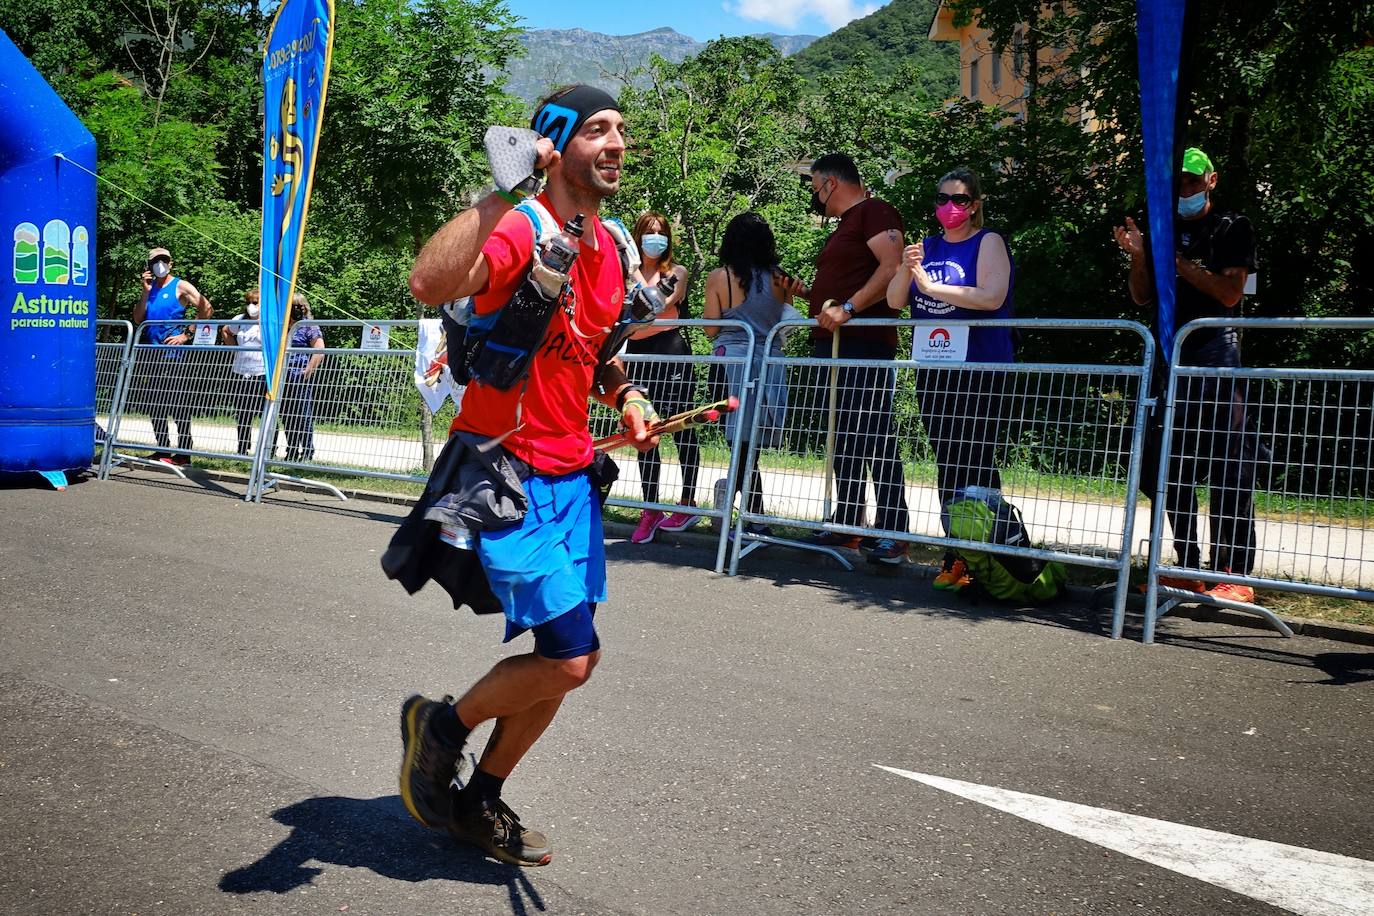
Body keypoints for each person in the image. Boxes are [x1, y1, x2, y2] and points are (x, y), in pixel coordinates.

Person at [401, 85, 658, 867]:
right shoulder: (525, 226)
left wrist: (628, 393)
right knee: (570, 657)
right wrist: (504, 186)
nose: (616, 143)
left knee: (574, 661)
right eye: (597, 131)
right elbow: (429, 284)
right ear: (554, 144)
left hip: (572, 474)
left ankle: (481, 798)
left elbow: (598, 346)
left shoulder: (611, 243)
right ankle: (441, 729)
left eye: (621, 130)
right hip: (506, 471)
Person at [1114, 146, 1259, 604]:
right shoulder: (1162, 227)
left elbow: (1230, 294)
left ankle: (1234, 571)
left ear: (1211, 181)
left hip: (1217, 353)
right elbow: (1141, 298)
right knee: (1166, 462)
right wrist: (1140, 255)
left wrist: (1177, 266)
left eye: (1193, 182)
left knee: (1229, 463)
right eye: (1178, 183)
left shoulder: (1233, 228)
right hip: (1168, 355)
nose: (1185, 191)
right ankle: (1189, 565)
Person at [889, 167, 1015, 591]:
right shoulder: (928, 247)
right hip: (934, 367)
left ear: (974, 204)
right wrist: (908, 270)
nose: (949, 207)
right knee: (948, 461)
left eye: (959, 200)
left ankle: (990, 557)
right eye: (942, 198)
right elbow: (893, 299)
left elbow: (991, 296)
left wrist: (932, 287)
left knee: (976, 461)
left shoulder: (988, 242)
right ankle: (956, 552)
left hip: (980, 367)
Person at [796, 153, 909, 565]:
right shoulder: (846, 225)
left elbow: (892, 266)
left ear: (829, 182)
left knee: (873, 430)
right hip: (837, 342)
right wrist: (808, 295)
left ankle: (894, 529)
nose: (814, 196)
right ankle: (848, 520)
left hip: (864, 341)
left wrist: (849, 307)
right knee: (844, 431)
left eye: (814, 187)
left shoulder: (875, 211)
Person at [703, 211, 795, 538]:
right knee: (750, 442)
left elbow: (712, 328)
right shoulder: (780, 279)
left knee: (737, 440)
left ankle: (733, 504)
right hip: (769, 363)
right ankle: (755, 516)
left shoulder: (720, 277)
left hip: (732, 362)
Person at [624, 212, 701, 543]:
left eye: (661, 233)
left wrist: (632, 288)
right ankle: (650, 507)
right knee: (645, 431)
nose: (656, 238)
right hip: (639, 357)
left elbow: (654, 305)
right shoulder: (626, 272)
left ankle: (687, 501)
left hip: (671, 353)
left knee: (681, 427)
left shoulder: (677, 272)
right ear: (638, 237)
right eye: (649, 233)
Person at [131, 246, 213, 465]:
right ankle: (162, 449)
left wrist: (186, 334)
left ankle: (184, 453)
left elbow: (207, 308)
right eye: (155, 261)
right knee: (155, 403)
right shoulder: (149, 289)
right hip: (151, 353)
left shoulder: (181, 286)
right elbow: (138, 318)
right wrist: (145, 292)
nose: (160, 264)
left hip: (175, 355)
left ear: (170, 263)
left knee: (178, 403)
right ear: (148, 266)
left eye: (163, 260)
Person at [278, 293, 325, 463]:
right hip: (282, 376)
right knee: (286, 414)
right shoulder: (283, 325)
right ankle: (291, 450)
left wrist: (308, 369)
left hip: (300, 376)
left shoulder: (309, 326)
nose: (298, 309)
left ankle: (307, 451)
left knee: (303, 415)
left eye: (300, 306)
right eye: (293, 306)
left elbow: (319, 348)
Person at [221, 289, 268, 457]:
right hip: (240, 372)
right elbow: (226, 331)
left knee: (265, 414)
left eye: (255, 303)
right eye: (248, 303)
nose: (251, 307)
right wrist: (234, 350)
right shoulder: (239, 320)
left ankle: (267, 449)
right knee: (242, 413)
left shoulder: (268, 320)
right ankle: (242, 448)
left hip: (262, 373)